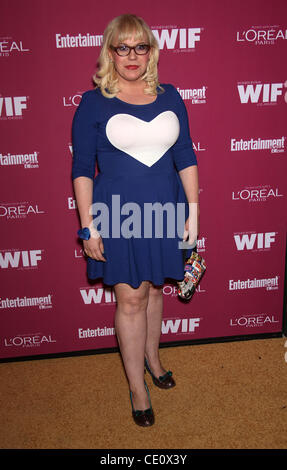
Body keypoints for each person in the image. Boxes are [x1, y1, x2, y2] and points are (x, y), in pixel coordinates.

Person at [72, 14, 199, 427]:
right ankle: (136, 387)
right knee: (131, 298)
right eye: (122, 47)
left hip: (165, 208)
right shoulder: (93, 102)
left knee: (156, 291)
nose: (131, 55)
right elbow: (81, 169)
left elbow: (186, 157)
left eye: (140, 46)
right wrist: (88, 226)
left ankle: (153, 360)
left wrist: (194, 211)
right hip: (119, 214)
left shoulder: (171, 95)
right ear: (110, 52)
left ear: (151, 51)